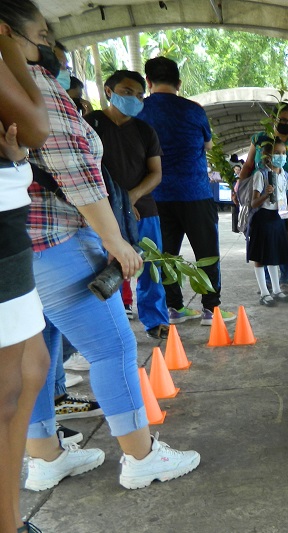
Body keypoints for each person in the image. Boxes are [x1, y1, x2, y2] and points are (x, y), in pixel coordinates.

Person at [8, 1, 200, 500]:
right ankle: (140, 457)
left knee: (38, 354)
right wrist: (115, 241)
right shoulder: (29, 84)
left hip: (13, 249)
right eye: (41, 34)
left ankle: (46, 458)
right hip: (56, 240)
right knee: (111, 347)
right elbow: (75, 170)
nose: (48, 45)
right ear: (8, 33)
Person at [137, 56, 234, 325]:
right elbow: (208, 146)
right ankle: (210, 310)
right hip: (195, 192)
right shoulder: (193, 110)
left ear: (148, 81)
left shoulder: (139, 111)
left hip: (156, 194)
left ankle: (174, 307)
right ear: (179, 83)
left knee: (166, 254)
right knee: (206, 251)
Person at [0, 12, 50, 531]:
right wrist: (8, 46)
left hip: (9, 221)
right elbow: (36, 127)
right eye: (36, 38)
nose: (43, 49)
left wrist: (15, 165)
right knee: (8, 385)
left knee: (31, 365)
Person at [85, 70, 169, 339]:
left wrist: (129, 198)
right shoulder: (90, 125)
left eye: (139, 94)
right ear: (109, 92)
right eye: (126, 92)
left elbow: (155, 173)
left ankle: (156, 320)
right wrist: (113, 206)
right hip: (99, 212)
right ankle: (106, 325)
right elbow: (83, 170)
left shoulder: (145, 131)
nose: (133, 98)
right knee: (102, 269)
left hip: (142, 209)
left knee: (150, 266)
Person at [239, 103, 288, 295]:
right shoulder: (260, 139)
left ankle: (283, 280)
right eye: (282, 120)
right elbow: (248, 164)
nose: (286, 123)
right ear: (273, 118)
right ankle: (267, 285)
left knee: (283, 239)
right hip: (262, 199)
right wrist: (239, 187)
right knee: (263, 243)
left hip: (285, 195)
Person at [247, 138, 288, 307]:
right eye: (277, 153)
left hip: (277, 218)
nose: (281, 156)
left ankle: (276, 290)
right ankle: (264, 292)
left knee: (274, 254)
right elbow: (253, 203)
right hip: (263, 219)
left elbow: (282, 201)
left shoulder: (283, 175)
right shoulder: (261, 174)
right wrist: (266, 195)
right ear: (267, 155)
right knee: (261, 256)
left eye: (283, 153)